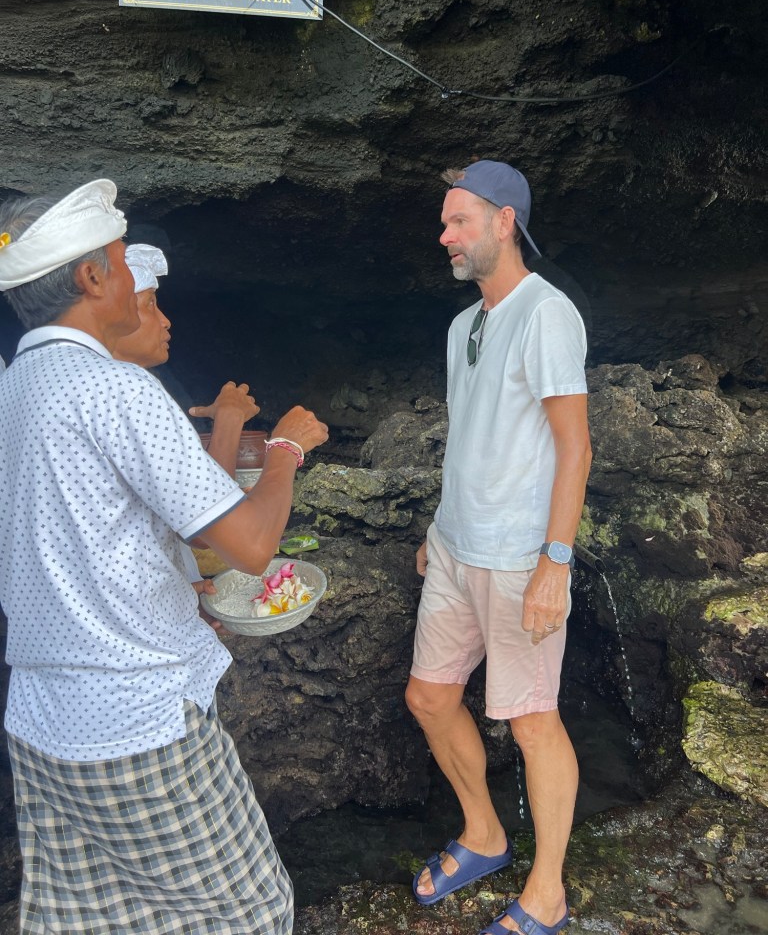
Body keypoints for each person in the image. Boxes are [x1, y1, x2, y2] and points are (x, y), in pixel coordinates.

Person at [0, 179, 328, 935]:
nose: (129, 274)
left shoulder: (15, 387)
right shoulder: (117, 388)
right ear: (93, 278)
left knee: (98, 920)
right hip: (135, 717)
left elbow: (78, 540)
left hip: (42, 718)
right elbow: (250, 546)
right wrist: (284, 450)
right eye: (121, 260)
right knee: (251, 913)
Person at [405, 160, 592, 935]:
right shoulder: (464, 325)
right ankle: (484, 833)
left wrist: (556, 562)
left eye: (459, 222)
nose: (445, 236)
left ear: (504, 222)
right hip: (456, 547)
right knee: (430, 697)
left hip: (518, 557)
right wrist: (437, 526)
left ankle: (547, 891)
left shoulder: (546, 313)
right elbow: (471, 438)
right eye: (445, 223)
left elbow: (575, 447)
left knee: (532, 720)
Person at [113, 241, 261, 620]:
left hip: (124, 608)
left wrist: (178, 590)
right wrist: (231, 421)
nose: (165, 321)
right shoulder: (129, 391)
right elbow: (205, 531)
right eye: (149, 305)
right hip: (134, 636)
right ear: (110, 312)